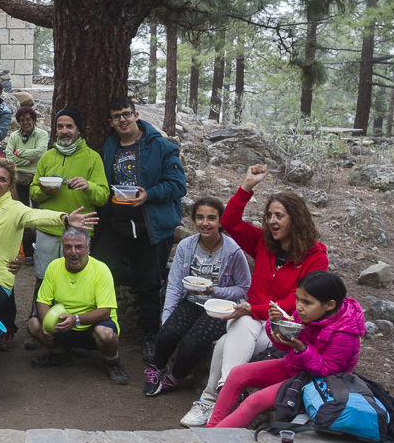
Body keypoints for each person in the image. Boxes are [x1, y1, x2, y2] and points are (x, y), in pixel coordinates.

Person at [181, 164, 329, 427]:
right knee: (227, 342)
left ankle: (217, 395)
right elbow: (229, 223)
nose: (272, 221)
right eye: (269, 215)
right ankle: (214, 397)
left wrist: (255, 310)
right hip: (254, 321)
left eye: (279, 216)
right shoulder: (264, 243)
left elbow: (301, 299)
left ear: (295, 219)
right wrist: (247, 186)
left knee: (239, 327)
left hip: (285, 326)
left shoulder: (315, 255)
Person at [95, 97, 187, 364]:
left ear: (136, 115)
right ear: (110, 122)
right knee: (102, 272)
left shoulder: (161, 147)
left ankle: (149, 336)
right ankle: (100, 330)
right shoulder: (110, 145)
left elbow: (178, 186)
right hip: (116, 224)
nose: (122, 120)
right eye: (116, 117)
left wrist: (149, 194)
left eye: (126, 114)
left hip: (151, 225)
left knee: (149, 282)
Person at [207, 272, 364, 428]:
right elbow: (282, 345)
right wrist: (275, 324)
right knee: (237, 374)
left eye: (307, 302)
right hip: (296, 366)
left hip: (317, 383)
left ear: (330, 305)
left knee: (254, 401)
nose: (299, 307)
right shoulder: (309, 314)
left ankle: (213, 439)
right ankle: (210, 429)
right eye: (298, 299)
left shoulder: (344, 333)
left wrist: (302, 349)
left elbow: (327, 372)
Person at [0, 157, 96, 351]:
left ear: (10, 185)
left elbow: (37, 215)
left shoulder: (15, 210)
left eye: (2, 179)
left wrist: (65, 218)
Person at [144, 197, 251, 397]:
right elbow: (175, 285)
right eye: (200, 217)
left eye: (211, 218)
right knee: (167, 333)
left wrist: (214, 291)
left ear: (220, 222)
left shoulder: (233, 251)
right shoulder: (186, 246)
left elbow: (244, 288)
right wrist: (167, 318)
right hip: (192, 301)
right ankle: (157, 368)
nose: (205, 223)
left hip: (221, 307)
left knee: (191, 343)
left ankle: (175, 377)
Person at [28, 106, 108, 325]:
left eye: (69, 126)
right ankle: (39, 321)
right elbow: (33, 190)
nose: (64, 131)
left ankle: (73, 325)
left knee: (75, 278)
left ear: (79, 130)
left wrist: (88, 186)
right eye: (60, 126)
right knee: (43, 278)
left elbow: (102, 196)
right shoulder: (47, 157)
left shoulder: (92, 158)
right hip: (47, 229)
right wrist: (43, 191)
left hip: (78, 232)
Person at [29, 226, 129, 385]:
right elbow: (42, 300)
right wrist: (47, 324)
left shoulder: (101, 270)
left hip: (91, 327)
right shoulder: (54, 266)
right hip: (63, 325)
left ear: (88, 248)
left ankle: (112, 362)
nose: (73, 252)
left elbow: (105, 312)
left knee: (106, 334)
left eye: (79, 247)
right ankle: (60, 354)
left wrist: (76, 319)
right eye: (68, 246)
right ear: (63, 247)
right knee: (34, 324)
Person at [4, 106, 48, 208]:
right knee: (21, 206)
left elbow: (39, 153)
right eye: (22, 120)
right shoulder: (14, 135)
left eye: (28, 119)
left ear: (33, 120)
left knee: (38, 207)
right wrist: (27, 162)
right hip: (18, 175)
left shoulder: (42, 134)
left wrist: (19, 152)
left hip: (36, 174)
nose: (25, 122)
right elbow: (9, 155)